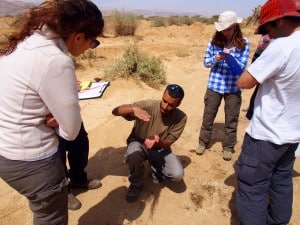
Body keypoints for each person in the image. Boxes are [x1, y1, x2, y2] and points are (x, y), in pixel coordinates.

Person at [0, 0, 104, 224]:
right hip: (33, 161)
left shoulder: (25, 43)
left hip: (7, 152)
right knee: (51, 217)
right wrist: (60, 119)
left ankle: (78, 179)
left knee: (42, 210)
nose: (90, 48)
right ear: (78, 36)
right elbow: (71, 131)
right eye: (92, 42)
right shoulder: (56, 61)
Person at [236, 0, 300, 224]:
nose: (269, 35)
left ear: (280, 21)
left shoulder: (282, 47)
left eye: (268, 28)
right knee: (281, 181)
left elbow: (244, 82)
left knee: (252, 188)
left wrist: (261, 55)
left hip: (266, 135)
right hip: (292, 135)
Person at [112, 84, 187, 202]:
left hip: (160, 147)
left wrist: (158, 140)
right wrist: (133, 109)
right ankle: (136, 183)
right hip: (138, 142)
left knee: (177, 174)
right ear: (162, 96)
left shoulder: (181, 117)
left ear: (178, 104)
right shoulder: (149, 105)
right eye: (164, 101)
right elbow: (115, 111)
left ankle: (156, 168)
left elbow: (168, 144)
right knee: (133, 154)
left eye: (171, 105)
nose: (165, 106)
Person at [196, 11, 250, 161]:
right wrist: (216, 58)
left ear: (235, 27)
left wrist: (230, 59)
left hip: (233, 87)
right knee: (208, 117)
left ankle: (228, 147)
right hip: (214, 85)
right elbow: (206, 62)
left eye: (229, 29)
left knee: (231, 120)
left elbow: (241, 67)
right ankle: (203, 142)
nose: (226, 32)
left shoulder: (244, 43)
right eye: (223, 29)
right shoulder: (214, 41)